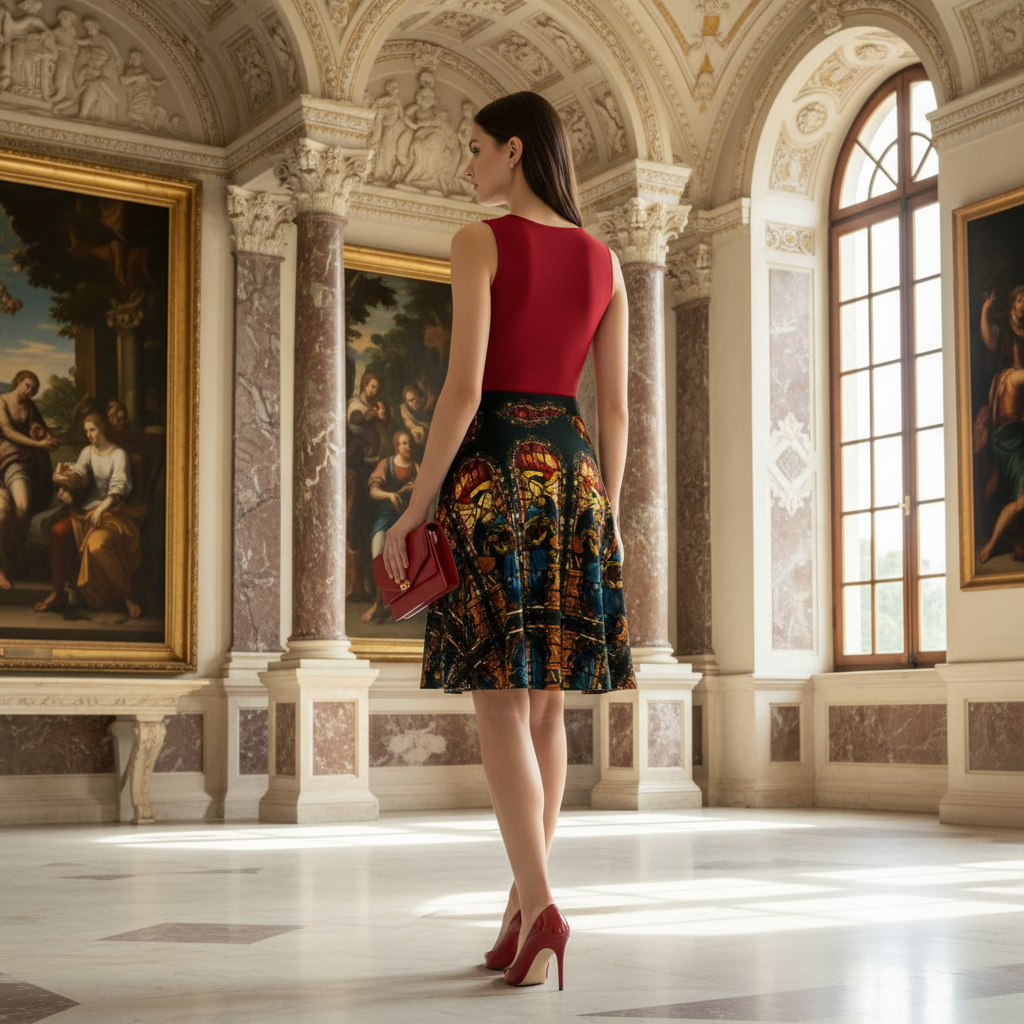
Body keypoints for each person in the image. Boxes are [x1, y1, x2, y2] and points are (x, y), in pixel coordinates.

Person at [381, 91, 635, 989]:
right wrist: (605, 511)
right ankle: (523, 915)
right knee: (545, 707)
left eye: (475, 146)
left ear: (514, 151)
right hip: (572, 480)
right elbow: (614, 410)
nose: (468, 164)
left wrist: (415, 507)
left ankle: (544, 906)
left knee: (498, 699)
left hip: (492, 472)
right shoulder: (606, 262)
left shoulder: (478, 241)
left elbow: (462, 389)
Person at [34, 411, 145, 618]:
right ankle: (57, 593)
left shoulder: (118, 454)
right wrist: (62, 479)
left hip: (113, 512)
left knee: (98, 545)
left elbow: (119, 489)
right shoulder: (87, 452)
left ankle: (125, 595)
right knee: (58, 531)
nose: (89, 435)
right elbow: (80, 476)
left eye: (92, 429)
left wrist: (101, 509)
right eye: (86, 431)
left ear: (102, 428)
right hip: (86, 512)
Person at [0, 369, 58, 588]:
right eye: (27, 385)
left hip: (23, 462)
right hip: (5, 457)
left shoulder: (30, 407)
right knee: (8, 508)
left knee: (24, 506)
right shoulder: (2, 401)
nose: (29, 391)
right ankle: (4, 559)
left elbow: (39, 428)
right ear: (17, 382)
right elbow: (6, 431)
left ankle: (17, 545)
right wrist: (38, 444)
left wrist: (47, 438)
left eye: (33, 389)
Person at [362, 430, 419, 623]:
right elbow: (373, 491)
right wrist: (391, 496)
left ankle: (399, 603)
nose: (407, 447)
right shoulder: (386, 464)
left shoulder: (417, 469)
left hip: (407, 521)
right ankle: (379, 604)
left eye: (409, 443)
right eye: (404, 443)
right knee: (378, 555)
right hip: (386, 518)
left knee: (407, 562)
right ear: (397, 446)